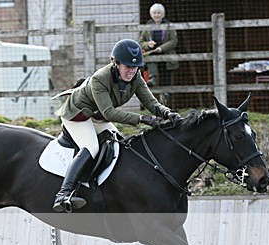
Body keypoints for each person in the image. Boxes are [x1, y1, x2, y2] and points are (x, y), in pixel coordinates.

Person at [50, 38, 180, 213]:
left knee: (120, 144)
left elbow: (151, 103)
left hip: (97, 116)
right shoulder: (100, 79)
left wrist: (167, 113)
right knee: (91, 147)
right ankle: (63, 194)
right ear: (115, 63)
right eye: (128, 66)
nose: (132, 71)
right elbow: (109, 113)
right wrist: (142, 119)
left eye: (135, 67)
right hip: (78, 115)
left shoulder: (136, 77)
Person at [138, 3, 178, 104]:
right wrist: (148, 44)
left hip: (166, 57)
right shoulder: (147, 27)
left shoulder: (169, 26)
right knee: (153, 77)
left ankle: (166, 101)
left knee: (166, 80)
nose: (157, 15)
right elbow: (141, 42)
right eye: (154, 13)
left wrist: (161, 48)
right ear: (151, 14)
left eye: (159, 13)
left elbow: (174, 41)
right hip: (153, 55)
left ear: (163, 14)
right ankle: (153, 78)